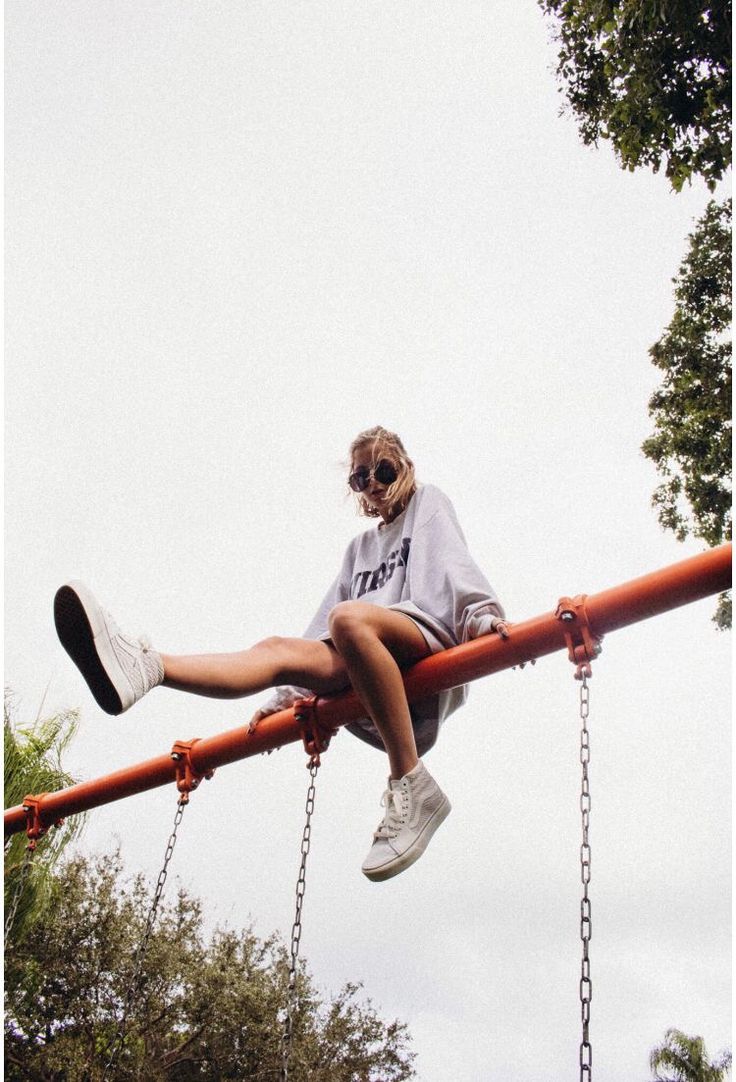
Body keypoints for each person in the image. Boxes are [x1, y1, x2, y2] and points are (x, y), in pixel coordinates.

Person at [54, 426, 508, 882]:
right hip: (370, 662)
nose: (372, 482)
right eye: (360, 477)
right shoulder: (360, 549)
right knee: (278, 648)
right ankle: (148, 667)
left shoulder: (428, 504)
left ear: (404, 468)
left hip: (423, 641)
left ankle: (409, 778)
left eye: (382, 469)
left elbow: (453, 566)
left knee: (349, 619)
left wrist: (483, 617)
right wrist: (289, 693)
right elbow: (322, 627)